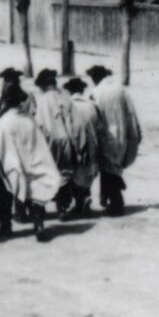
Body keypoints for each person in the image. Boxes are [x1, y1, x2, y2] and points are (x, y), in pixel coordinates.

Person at [0, 84, 61, 241]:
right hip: (33, 164)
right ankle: (39, 225)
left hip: (13, 167)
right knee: (36, 192)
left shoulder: (4, 122)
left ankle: (5, 227)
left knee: (4, 191)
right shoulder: (29, 120)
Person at [85, 64, 142, 216]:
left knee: (108, 169)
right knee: (114, 168)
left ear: (95, 77)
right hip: (121, 134)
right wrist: (135, 131)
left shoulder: (96, 93)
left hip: (106, 136)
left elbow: (93, 116)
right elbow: (131, 112)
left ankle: (116, 203)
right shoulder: (120, 88)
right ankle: (108, 198)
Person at [61, 76, 104, 217]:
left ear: (69, 90)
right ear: (82, 90)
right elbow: (99, 127)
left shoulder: (67, 105)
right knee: (86, 175)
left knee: (74, 175)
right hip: (92, 145)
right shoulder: (92, 105)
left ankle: (79, 203)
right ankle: (84, 201)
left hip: (75, 146)